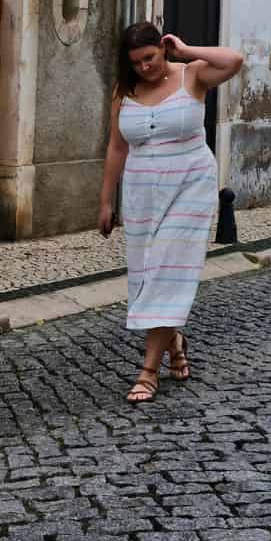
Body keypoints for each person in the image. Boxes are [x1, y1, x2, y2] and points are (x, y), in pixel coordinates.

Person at [99, 21, 244, 403]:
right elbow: (116, 148)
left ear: (162, 49)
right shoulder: (124, 91)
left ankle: (148, 372)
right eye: (136, 63)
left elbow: (234, 60)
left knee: (167, 270)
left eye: (149, 57)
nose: (145, 67)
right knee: (147, 275)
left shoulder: (192, 75)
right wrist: (105, 201)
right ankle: (174, 341)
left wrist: (186, 48)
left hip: (190, 187)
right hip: (142, 193)